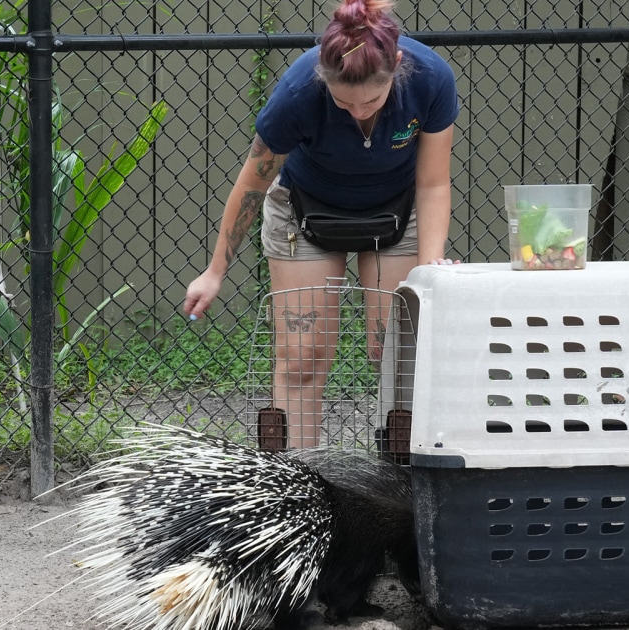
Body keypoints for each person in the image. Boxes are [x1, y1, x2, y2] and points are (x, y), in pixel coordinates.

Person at [183, 0, 460, 449]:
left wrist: (430, 266)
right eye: (342, 101)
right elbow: (253, 184)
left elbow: (432, 184)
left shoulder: (431, 78)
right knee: (301, 358)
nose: (358, 113)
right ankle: (296, 484)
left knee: (394, 353)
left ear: (398, 66)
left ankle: (405, 487)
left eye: (371, 99)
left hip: (395, 211)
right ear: (322, 80)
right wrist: (215, 271)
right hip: (305, 211)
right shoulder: (297, 91)